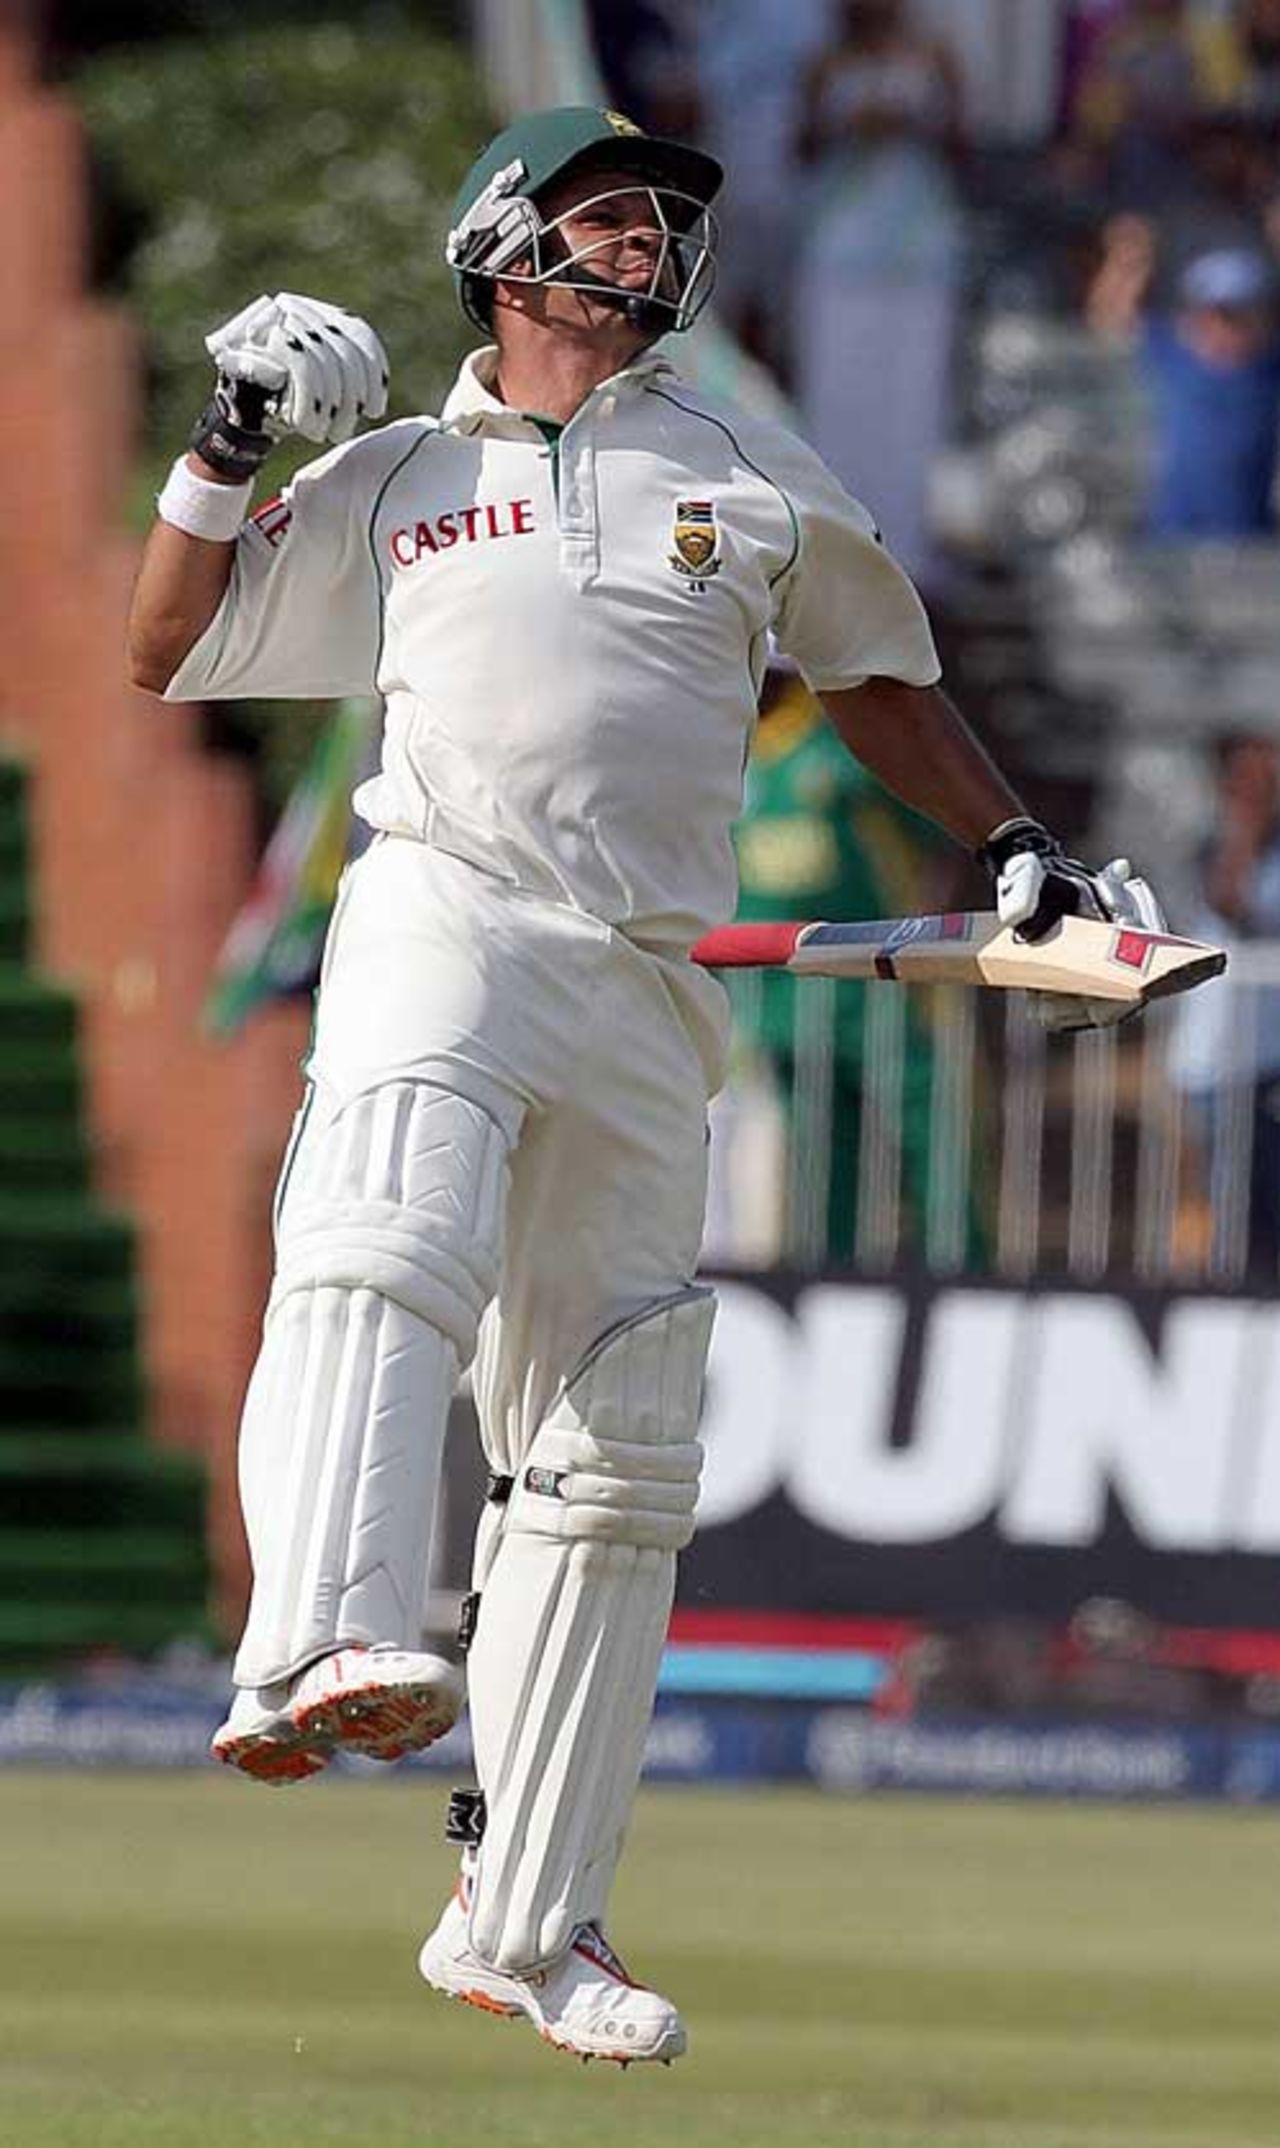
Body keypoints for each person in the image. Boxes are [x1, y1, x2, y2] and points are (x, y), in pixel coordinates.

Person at [126, 104, 1163, 2067]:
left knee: (614, 1459)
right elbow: (166, 645)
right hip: (446, 903)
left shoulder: (738, 464)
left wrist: (1014, 839)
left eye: (669, 222)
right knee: (385, 1224)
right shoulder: (401, 470)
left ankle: (524, 1918)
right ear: (503, 242)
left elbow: (873, 674)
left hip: (649, 977)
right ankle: (318, 1634)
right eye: (611, 217)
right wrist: (228, 440)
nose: (652, 246)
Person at [791, 0, 966, 587]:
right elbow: (800, 149)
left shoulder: (936, 59)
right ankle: (836, 548)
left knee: (912, 400)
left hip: (919, 254)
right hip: (841, 253)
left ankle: (907, 553)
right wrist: (848, 127)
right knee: (838, 397)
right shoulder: (826, 61)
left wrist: (915, 126)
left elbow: (964, 148)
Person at [1087, 218, 1280, 536]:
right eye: (1222, 313)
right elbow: (1109, 319)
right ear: (1196, 314)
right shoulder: (1172, 355)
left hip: (1247, 543)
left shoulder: (1269, 367)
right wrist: (1128, 261)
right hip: (1172, 540)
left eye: (1244, 314)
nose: (1228, 327)